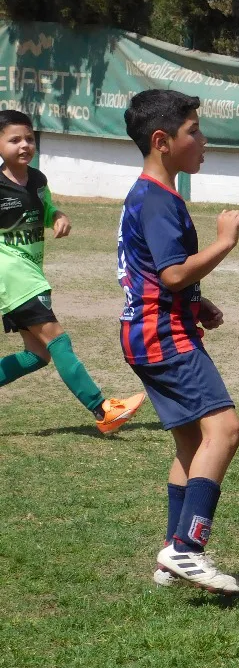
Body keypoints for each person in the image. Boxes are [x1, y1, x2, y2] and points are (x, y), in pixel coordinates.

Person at [119, 90, 239, 594]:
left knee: (192, 443)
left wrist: (197, 301)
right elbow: (170, 273)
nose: (202, 140)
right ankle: (188, 549)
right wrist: (224, 242)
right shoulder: (158, 200)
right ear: (162, 141)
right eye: (192, 131)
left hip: (151, 330)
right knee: (226, 430)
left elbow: (153, 271)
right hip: (162, 334)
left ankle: (171, 556)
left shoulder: (150, 195)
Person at [0, 109, 145, 432]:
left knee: (37, 354)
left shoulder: (37, 180)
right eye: (14, 140)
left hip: (29, 274)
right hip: (12, 276)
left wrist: (58, 217)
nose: (24, 145)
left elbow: (47, 207)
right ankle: (102, 409)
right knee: (57, 340)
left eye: (28, 138)